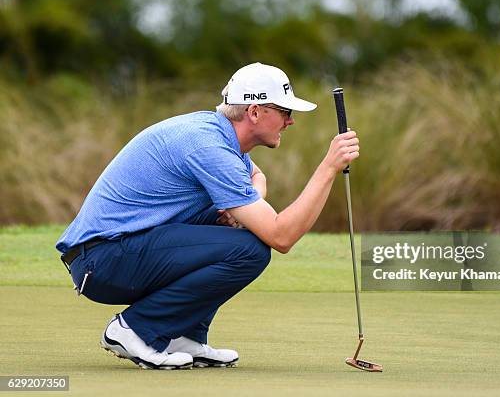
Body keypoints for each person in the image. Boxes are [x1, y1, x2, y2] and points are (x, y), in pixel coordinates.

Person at [56, 62, 360, 370]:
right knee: (250, 249)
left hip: (113, 253)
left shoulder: (219, 135)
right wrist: (329, 167)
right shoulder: (208, 147)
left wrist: (237, 211)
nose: (291, 121)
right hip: (102, 260)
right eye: (284, 111)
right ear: (254, 112)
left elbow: (258, 176)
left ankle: (183, 335)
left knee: (238, 232)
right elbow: (281, 237)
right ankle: (134, 329)